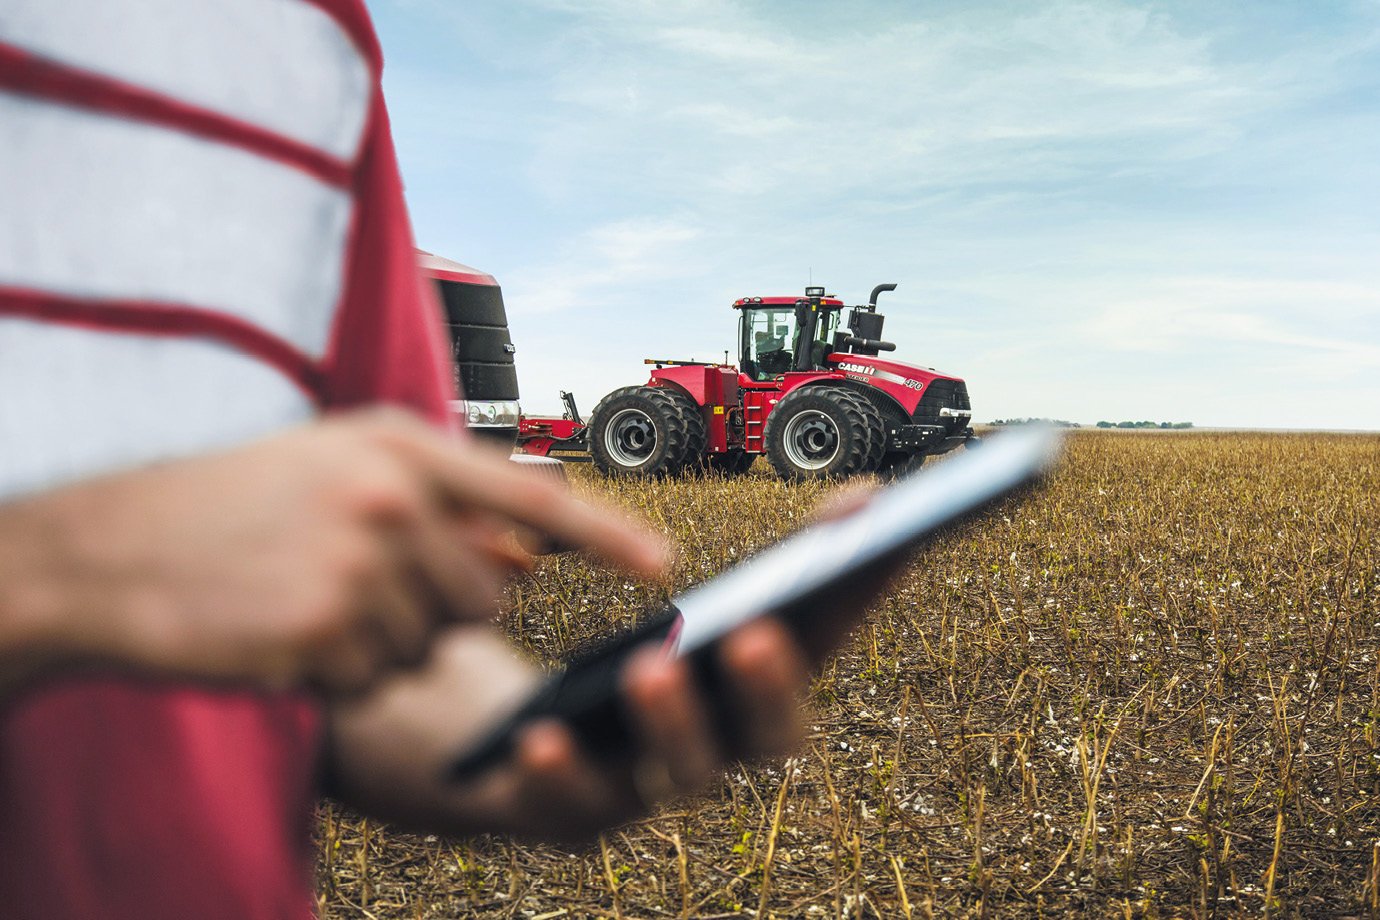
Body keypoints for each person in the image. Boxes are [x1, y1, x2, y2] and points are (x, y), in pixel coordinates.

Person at [0, 4, 888, 918]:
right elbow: (188, 565)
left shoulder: (315, 37)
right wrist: (66, 570)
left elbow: (353, 651)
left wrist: (529, 748)